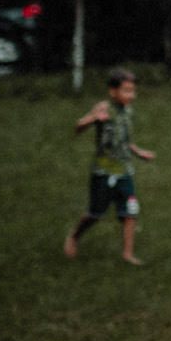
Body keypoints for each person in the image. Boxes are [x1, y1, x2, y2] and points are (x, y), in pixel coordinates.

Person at [64, 68, 157, 264]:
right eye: (126, 91)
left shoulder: (127, 111)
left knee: (130, 212)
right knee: (95, 213)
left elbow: (124, 140)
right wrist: (93, 119)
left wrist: (139, 152)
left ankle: (128, 254)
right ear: (112, 91)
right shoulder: (104, 108)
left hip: (125, 171)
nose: (131, 95)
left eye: (133, 91)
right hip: (103, 171)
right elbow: (78, 127)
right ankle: (74, 236)